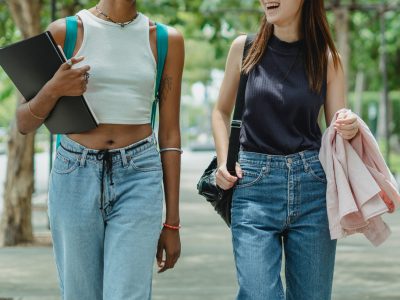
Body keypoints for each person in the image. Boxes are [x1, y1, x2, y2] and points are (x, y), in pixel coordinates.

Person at [16, 0, 184, 299]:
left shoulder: (165, 39)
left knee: (127, 294)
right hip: (75, 174)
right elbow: (23, 121)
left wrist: (172, 221)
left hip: (139, 175)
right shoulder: (64, 33)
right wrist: (55, 88)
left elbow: (170, 135)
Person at [212, 1, 359, 299]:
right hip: (252, 187)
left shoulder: (328, 59)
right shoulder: (245, 48)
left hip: (312, 190)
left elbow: (336, 130)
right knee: (258, 294)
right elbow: (220, 111)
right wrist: (224, 161)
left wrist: (350, 127)